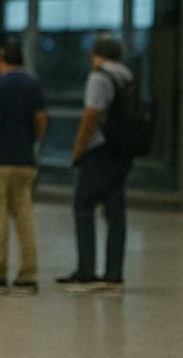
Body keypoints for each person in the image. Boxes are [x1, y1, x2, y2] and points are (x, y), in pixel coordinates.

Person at [60, 36, 139, 293]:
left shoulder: (99, 77)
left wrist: (78, 150)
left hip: (100, 149)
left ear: (97, 54)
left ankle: (86, 271)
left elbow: (92, 114)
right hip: (122, 150)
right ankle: (113, 274)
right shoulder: (128, 77)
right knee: (115, 212)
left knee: (83, 205)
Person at [0, 40, 47, 294]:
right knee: (25, 217)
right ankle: (28, 274)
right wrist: (32, 142)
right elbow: (41, 120)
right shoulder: (34, 84)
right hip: (25, 161)